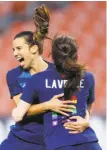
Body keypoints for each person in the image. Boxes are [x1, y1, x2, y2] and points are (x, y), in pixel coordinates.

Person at [0, 5, 76, 150]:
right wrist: (49, 105)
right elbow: (22, 110)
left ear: (33, 49)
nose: (15, 53)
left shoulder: (59, 73)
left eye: (19, 49)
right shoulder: (14, 75)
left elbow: (70, 106)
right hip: (21, 138)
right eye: (13, 50)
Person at [11, 34, 102, 150]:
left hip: (59, 144)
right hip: (90, 142)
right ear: (76, 55)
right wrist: (86, 122)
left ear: (52, 57)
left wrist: (46, 106)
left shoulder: (38, 79)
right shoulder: (88, 77)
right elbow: (88, 107)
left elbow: (17, 115)